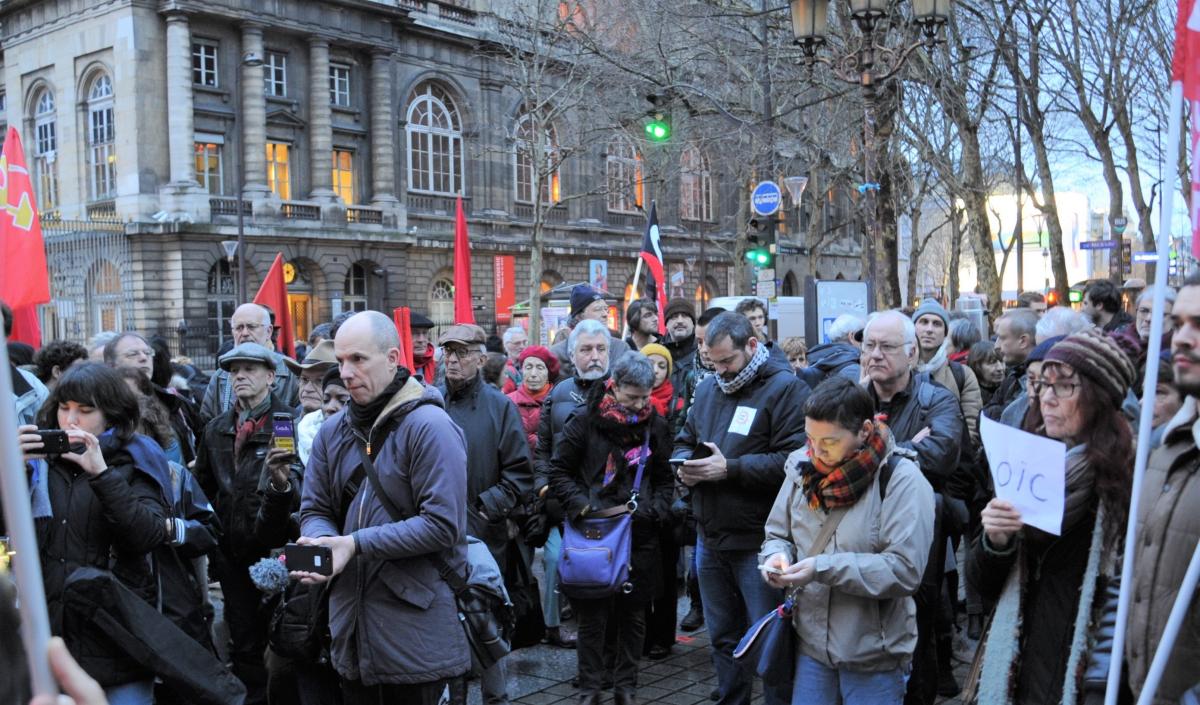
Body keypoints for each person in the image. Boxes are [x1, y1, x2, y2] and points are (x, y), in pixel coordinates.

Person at [296, 310, 471, 704]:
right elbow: (315, 507)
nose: (345, 372)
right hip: (350, 630)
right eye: (340, 361)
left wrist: (354, 544)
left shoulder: (430, 427)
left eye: (358, 359)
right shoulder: (331, 431)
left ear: (392, 359)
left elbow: (443, 526)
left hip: (417, 634)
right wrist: (324, 542)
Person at [970, 328, 1135, 704]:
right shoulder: (1024, 463)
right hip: (1019, 668)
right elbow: (984, 587)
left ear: (1099, 398)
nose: (1047, 398)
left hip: (1085, 676)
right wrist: (996, 541)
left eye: (1064, 387)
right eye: (1043, 385)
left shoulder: (1128, 480)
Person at [760, 376, 935, 705]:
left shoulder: (901, 480)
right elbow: (777, 533)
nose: (815, 450)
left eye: (829, 441)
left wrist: (820, 568)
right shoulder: (803, 467)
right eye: (809, 438)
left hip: (874, 656)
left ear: (865, 431)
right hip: (810, 648)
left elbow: (904, 570)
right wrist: (774, 558)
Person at [673, 311, 810, 705]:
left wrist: (728, 469)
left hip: (759, 542)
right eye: (712, 362)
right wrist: (684, 465)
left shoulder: (787, 389)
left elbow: (792, 459)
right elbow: (686, 436)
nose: (720, 370)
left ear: (752, 346)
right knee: (722, 637)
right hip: (710, 536)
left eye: (727, 361)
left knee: (768, 640)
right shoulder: (711, 388)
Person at [14, 362, 170, 705]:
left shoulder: (136, 458)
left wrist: (101, 472)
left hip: (117, 636)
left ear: (112, 415)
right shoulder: (39, 460)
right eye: (64, 408)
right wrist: (11, 473)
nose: (70, 421)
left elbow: (147, 535)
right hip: (49, 633)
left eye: (85, 411)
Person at [548, 353, 674, 705]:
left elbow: (665, 479)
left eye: (645, 396)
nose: (639, 404)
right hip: (594, 532)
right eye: (632, 396)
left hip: (640, 532)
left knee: (634, 617)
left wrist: (655, 510)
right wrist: (582, 505)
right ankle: (591, 686)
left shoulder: (656, 426)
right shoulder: (585, 421)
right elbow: (559, 471)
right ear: (614, 387)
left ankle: (626, 687)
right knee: (593, 617)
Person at [858, 311, 963, 705]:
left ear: (912, 354)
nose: (875, 355)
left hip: (917, 532)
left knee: (917, 624)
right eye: (869, 346)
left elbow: (939, 456)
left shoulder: (937, 399)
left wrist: (874, 451)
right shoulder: (852, 396)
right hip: (857, 527)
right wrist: (903, 447)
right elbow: (827, 452)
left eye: (886, 347)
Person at [192, 343, 303, 704]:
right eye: (234, 370)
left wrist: (280, 480)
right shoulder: (216, 429)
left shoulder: (284, 422)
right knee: (243, 640)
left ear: (271, 378)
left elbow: (294, 487)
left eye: (249, 369)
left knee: (282, 638)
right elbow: (203, 490)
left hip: (275, 553)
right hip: (231, 552)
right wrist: (213, 534)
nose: (239, 376)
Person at [437, 323, 533, 705]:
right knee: (444, 625)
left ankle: (497, 698)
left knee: (485, 622)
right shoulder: (429, 400)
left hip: (482, 538)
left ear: (481, 357)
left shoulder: (500, 406)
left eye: (461, 352)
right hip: (434, 533)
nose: (453, 360)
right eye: (448, 352)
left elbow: (519, 476)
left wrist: (480, 511)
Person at [1121, 276, 1200, 704]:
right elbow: (1131, 583)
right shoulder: (1164, 446)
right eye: (1181, 322)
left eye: (1199, 324)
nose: (1183, 338)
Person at [535, 322, 618, 652]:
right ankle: (566, 637)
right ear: (571, 355)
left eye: (600, 349)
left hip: (610, 508)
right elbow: (543, 448)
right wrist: (544, 490)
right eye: (586, 349)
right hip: (565, 502)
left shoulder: (621, 391)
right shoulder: (558, 394)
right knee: (558, 562)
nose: (594, 356)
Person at [635, 342, 685, 661]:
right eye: (649, 364)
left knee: (665, 574)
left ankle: (663, 635)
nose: (655, 371)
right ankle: (641, 633)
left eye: (661, 365)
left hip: (665, 502)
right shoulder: (628, 407)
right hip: (639, 503)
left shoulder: (676, 404)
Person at [200, 303, 300, 423]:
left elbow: (304, 423)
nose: (245, 333)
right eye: (239, 328)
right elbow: (206, 424)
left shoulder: (291, 372)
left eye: (251, 327)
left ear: (269, 331)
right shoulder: (221, 376)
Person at [551, 285, 630, 377]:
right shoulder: (557, 353)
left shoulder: (620, 348)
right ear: (579, 316)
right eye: (598, 309)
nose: (605, 314)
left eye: (606, 309)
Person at [286, 340, 338, 465]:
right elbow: (267, 482)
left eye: (319, 381)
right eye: (304, 379)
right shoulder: (286, 429)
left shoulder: (350, 432)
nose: (308, 389)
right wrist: (278, 481)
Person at [982, 309, 1038, 420]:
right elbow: (984, 414)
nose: (996, 346)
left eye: (1002, 338)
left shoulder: (1039, 382)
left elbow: (1008, 420)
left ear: (1023, 341)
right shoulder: (1013, 375)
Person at [507, 345, 559, 453]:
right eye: (528, 367)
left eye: (540, 368)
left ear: (548, 372)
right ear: (521, 370)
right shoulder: (508, 402)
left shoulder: (559, 400)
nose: (533, 374)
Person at [799, 314, 864, 389]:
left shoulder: (819, 358)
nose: (864, 341)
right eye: (861, 336)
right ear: (852, 336)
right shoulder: (854, 369)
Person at [663, 297, 698, 377]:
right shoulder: (657, 353)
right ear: (666, 324)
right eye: (674, 316)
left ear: (693, 323)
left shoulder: (703, 352)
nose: (680, 321)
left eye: (685, 316)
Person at [967, 341, 1005, 408]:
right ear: (977, 366)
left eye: (1002, 361)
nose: (1000, 368)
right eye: (992, 362)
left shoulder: (1011, 387)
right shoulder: (969, 395)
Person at [501, 326, 530, 393]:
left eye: (525, 342)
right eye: (517, 343)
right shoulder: (501, 367)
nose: (522, 346)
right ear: (506, 345)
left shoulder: (531, 364)